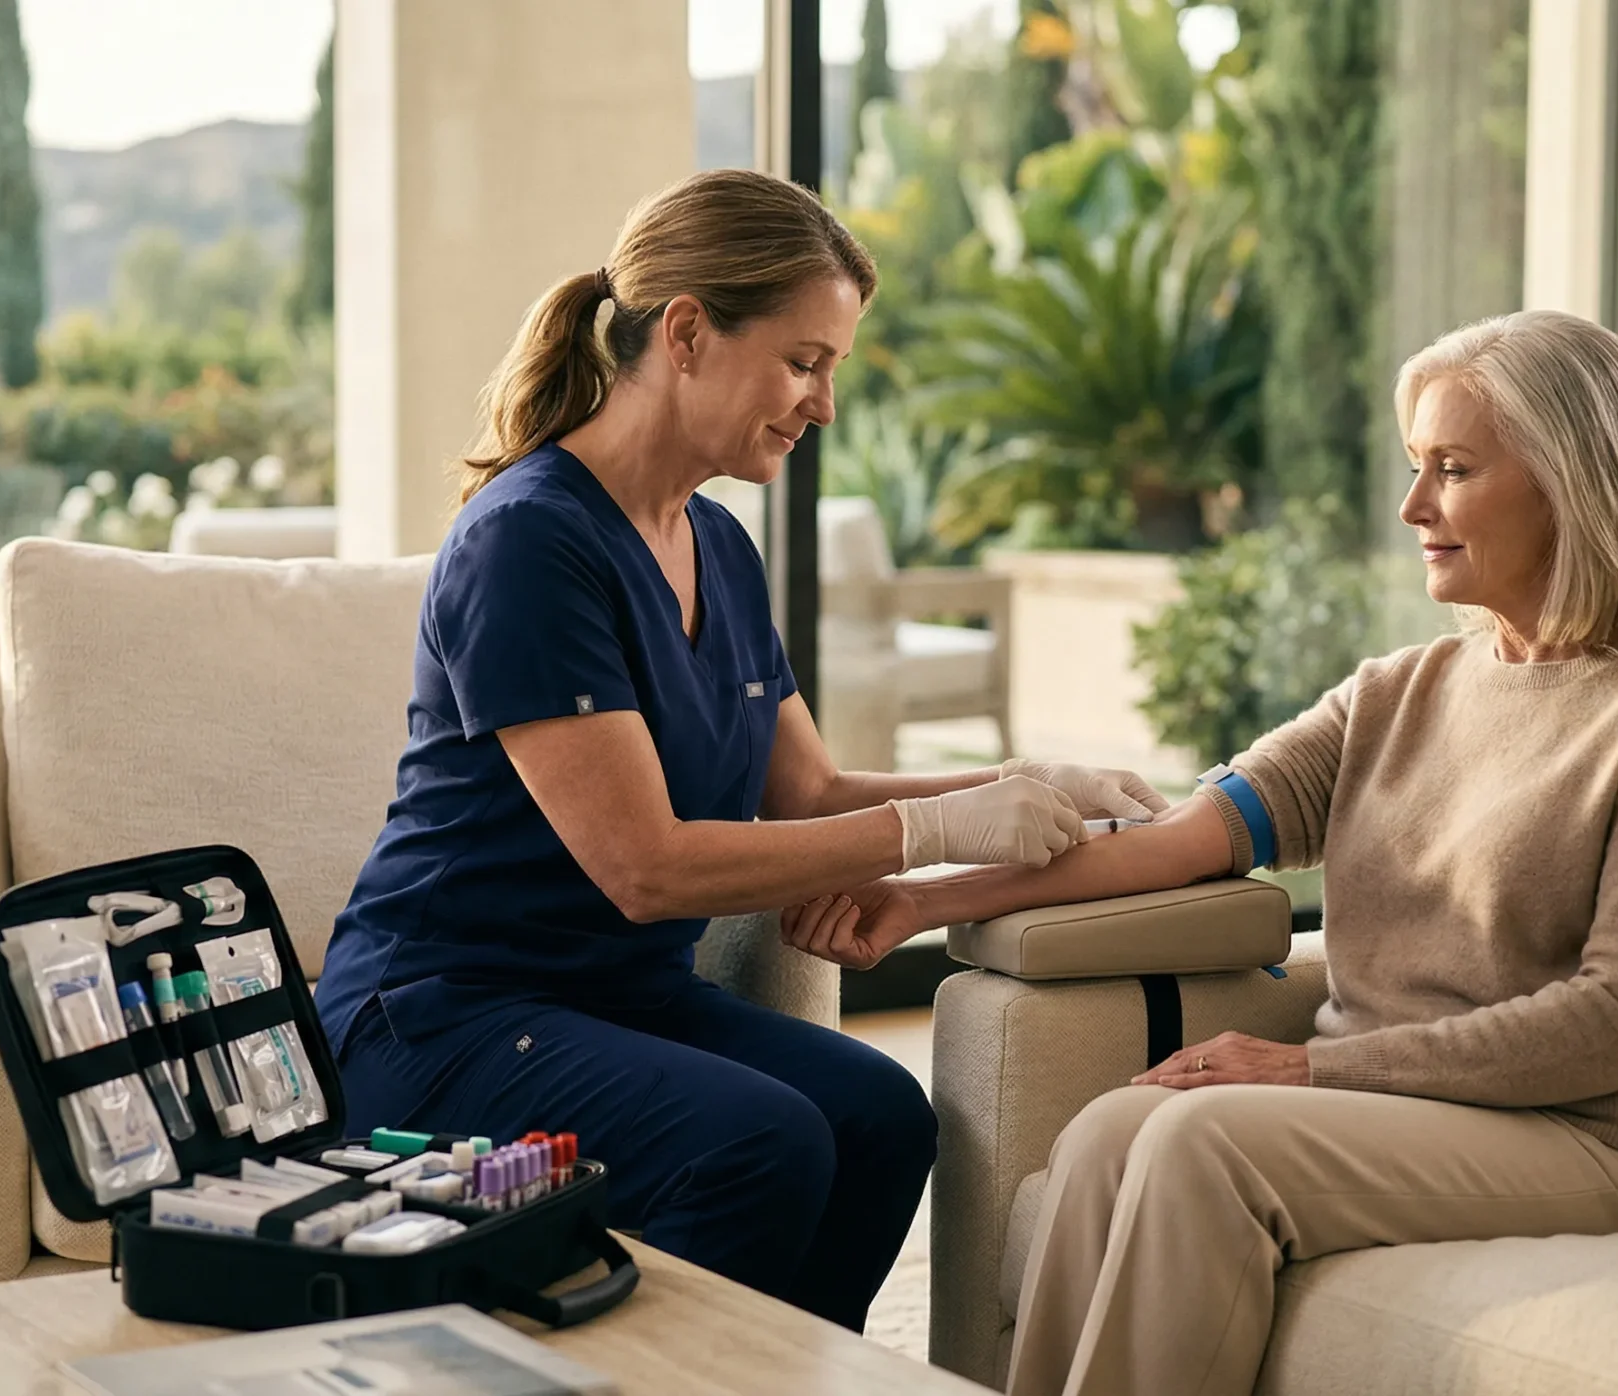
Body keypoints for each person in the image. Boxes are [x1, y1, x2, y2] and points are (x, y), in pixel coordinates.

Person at [782, 309, 1618, 1390]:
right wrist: (924, 899)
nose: (1412, 506)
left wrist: (1310, 1063)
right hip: (1397, 1106)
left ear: (1571, 483)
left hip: (1599, 1136)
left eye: (1453, 468)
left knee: (1200, 1149)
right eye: (1413, 466)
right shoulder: (1400, 692)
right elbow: (1172, 844)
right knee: (1116, 1129)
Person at [314, 169, 1164, 1331]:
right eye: (804, 361)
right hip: (441, 1017)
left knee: (880, 1115)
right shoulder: (528, 543)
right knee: (758, 1144)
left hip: (613, 998)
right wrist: (933, 828)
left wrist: (1022, 784)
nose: (822, 404)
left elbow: (804, 789)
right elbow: (645, 866)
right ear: (686, 333)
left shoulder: (715, 541)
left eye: (834, 371)